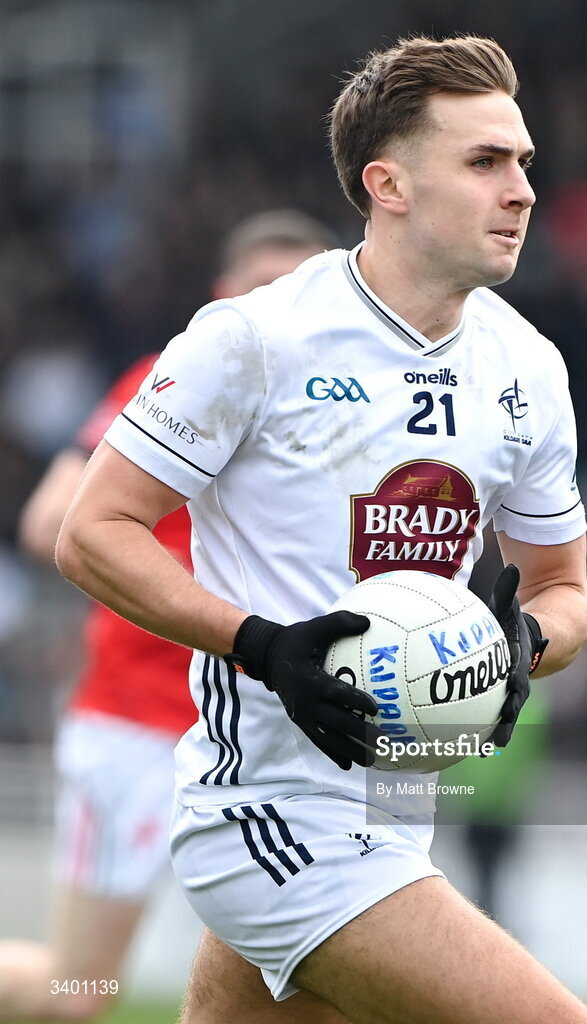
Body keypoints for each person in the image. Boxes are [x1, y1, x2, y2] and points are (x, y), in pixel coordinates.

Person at [56, 34, 587, 1024]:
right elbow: (91, 532)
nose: (521, 189)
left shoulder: (528, 368)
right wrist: (263, 646)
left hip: (396, 810)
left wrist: (523, 644)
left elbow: (565, 589)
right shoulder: (257, 338)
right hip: (270, 815)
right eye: (485, 162)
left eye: (523, 162)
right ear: (388, 184)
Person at [0, 208, 338, 1022]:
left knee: (317, 992)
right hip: (141, 723)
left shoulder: (349, 410)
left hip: (280, 735)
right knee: (75, 997)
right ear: (221, 299)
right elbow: (53, 522)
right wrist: (219, 597)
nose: (279, 311)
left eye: (300, 292)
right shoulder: (176, 377)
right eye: (261, 290)